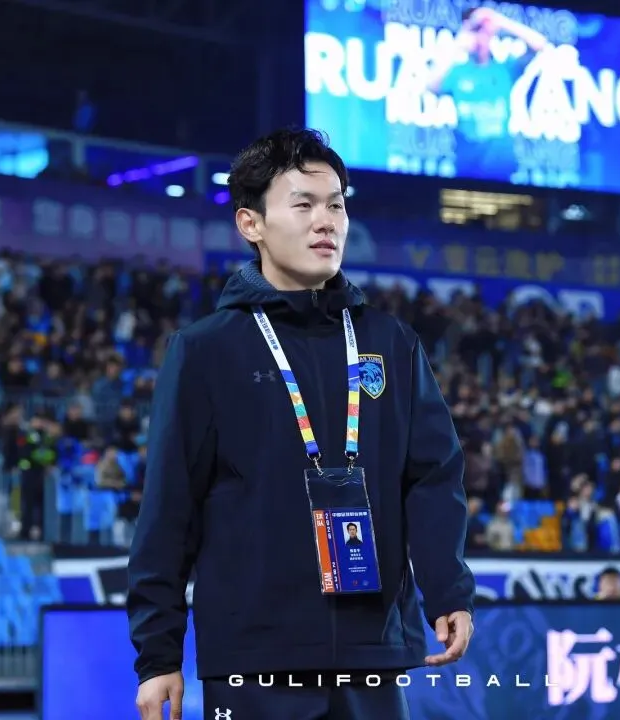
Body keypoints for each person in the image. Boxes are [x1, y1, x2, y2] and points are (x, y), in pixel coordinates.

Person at [128, 127, 475, 720]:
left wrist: (448, 589)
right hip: (254, 657)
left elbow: (432, 478)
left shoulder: (391, 344)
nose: (326, 222)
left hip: (371, 650)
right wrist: (158, 655)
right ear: (251, 224)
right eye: (304, 205)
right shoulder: (208, 350)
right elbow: (169, 506)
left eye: (336, 205)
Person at [426, 7, 548, 180]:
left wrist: (500, 21)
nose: (479, 37)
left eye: (482, 31)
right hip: (466, 170)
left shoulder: (505, 69)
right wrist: (460, 40)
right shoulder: (458, 72)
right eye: (475, 31)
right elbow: (431, 86)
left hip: (501, 169)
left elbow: (539, 43)